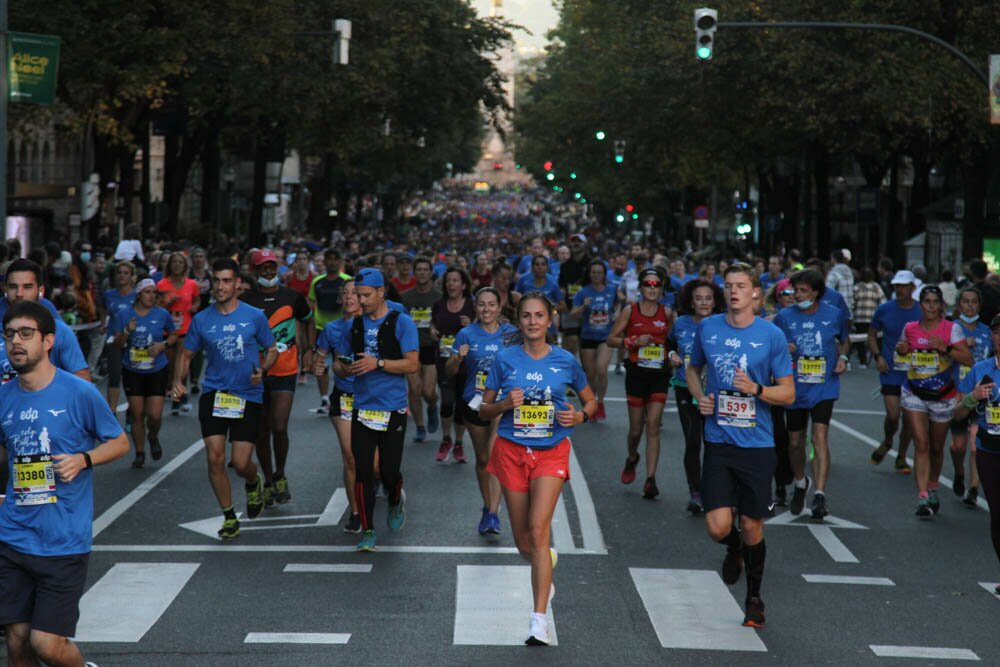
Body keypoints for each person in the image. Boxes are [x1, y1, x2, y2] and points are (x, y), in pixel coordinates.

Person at [0, 300, 129, 667]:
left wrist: (83, 459)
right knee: (17, 643)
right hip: (13, 535)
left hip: (62, 541)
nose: (16, 342)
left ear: (49, 341)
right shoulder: (3, 397)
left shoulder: (78, 393)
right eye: (9, 335)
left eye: (26, 334)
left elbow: (119, 442)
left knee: (47, 645)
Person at [479, 291, 597, 646]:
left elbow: (591, 400)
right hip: (512, 451)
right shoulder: (504, 359)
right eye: (527, 316)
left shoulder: (565, 361)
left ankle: (538, 621)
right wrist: (502, 403)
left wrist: (579, 415)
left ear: (550, 320)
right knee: (523, 542)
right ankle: (544, 563)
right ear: (520, 321)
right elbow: (482, 410)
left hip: (551, 452)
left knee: (538, 527)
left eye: (539, 316)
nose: (533, 322)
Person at [686, 262, 795, 628]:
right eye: (728, 285)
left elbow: (789, 393)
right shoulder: (708, 328)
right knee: (718, 527)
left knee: (752, 524)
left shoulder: (771, 335)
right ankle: (733, 548)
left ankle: (754, 598)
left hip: (758, 445)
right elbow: (692, 368)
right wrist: (700, 395)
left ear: (755, 294)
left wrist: (757, 390)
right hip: (718, 440)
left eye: (741, 286)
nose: (733, 291)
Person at [171, 258, 278, 539]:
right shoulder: (203, 319)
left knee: (241, 463)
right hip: (215, 393)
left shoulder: (254, 316)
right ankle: (229, 516)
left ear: (238, 284)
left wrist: (263, 370)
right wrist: (177, 381)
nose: (220, 286)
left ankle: (253, 482)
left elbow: (271, 349)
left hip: (248, 394)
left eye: (227, 281)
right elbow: (186, 354)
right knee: (215, 458)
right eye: (216, 281)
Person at [332, 268, 419, 552]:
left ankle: (395, 498)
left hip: (392, 408)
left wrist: (378, 363)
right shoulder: (353, 326)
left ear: (381, 292)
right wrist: (344, 367)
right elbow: (338, 363)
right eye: (358, 295)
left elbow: (412, 364)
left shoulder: (401, 322)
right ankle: (368, 530)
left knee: (389, 472)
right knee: (364, 471)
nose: (361, 300)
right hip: (362, 407)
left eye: (366, 295)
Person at [774, 269, 850, 518]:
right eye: (795, 290)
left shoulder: (834, 314)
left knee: (819, 437)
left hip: (824, 386)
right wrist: (784, 348)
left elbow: (844, 339)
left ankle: (819, 494)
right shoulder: (784, 317)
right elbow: (773, 348)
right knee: (795, 442)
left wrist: (844, 358)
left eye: (803, 290)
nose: (797, 295)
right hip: (794, 387)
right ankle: (799, 482)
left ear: (816, 292)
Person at [240, 249, 314, 506]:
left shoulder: (292, 297)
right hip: (256, 373)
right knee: (262, 431)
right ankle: (269, 480)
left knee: (279, 427)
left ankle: (280, 474)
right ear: (255, 271)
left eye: (272, 267)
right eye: (263, 268)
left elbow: (309, 320)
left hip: (285, 370)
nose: (269, 272)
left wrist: (310, 352)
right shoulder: (246, 300)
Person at [445, 287, 518, 534]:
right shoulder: (466, 334)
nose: (486, 309)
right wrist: (457, 359)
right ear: (476, 307)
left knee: (494, 453)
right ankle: (487, 508)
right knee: (483, 459)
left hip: (501, 403)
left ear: (499, 307)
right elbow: (449, 372)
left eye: (491, 304)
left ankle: (494, 514)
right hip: (474, 401)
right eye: (482, 305)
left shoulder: (510, 334)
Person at [895, 285, 972, 517]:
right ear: (921, 305)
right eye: (926, 301)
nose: (930, 306)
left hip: (943, 396)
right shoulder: (910, 328)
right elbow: (900, 359)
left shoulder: (952, 329)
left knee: (937, 448)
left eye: (935, 302)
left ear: (941, 306)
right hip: (914, 392)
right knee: (922, 444)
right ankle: (922, 497)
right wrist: (903, 351)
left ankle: (933, 487)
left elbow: (967, 359)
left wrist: (945, 347)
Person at [608, 267, 672, 499]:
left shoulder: (667, 313)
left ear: (662, 288)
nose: (652, 288)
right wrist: (632, 341)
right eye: (648, 284)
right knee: (636, 430)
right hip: (636, 374)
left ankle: (650, 479)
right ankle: (632, 457)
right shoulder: (630, 311)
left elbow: (673, 342)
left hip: (659, 375)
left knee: (653, 424)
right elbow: (611, 339)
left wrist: (672, 354)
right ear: (641, 287)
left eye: (656, 285)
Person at [668, 278, 724, 514]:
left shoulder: (723, 324)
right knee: (693, 440)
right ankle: (696, 492)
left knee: (713, 442)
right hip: (685, 386)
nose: (703, 303)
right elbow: (668, 342)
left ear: (715, 302)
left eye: (708, 298)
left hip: (715, 390)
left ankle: (714, 490)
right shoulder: (680, 323)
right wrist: (671, 353)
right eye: (698, 298)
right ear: (690, 303)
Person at [953, 316, 1000, 594]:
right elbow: (957, 413)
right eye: (997, 332)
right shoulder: (980, 369)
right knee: (997, 516)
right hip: (988, 449)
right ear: (991, 337)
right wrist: (973, 397)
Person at [314, 279, 364, 533]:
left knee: (377, 465)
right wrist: (318, 365)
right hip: (344, 396)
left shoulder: (374, 326)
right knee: (351, 457)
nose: (349, 297)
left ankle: (390, 484)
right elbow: (320, 357)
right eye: (345, 293)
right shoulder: (332, 328)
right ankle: (356, 513)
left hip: (374, 398)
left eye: (354, 293)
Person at [111, 278, 177, 467]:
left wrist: (163, 345)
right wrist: (126, 331)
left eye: (154, 293)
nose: (152, 296)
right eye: (147, 292)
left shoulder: (162, 314)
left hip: (156, 368)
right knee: (138, 413)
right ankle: (139, 452)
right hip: (133, 369)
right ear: (139, 294)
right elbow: (117, 344)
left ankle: (153, 436)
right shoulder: (125, 314)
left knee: (154, 415)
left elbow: (173, 335)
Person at [868, 270, 923, 473]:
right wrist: (878, 356)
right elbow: (871, 335)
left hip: (915, 372)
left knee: (909, 418)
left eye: (904, 286)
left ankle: (901, 455)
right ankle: (888, 440)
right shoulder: (884, 309)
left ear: (913, 287)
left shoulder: (922, 311)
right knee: (893, 416)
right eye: (897, 286)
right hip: (890, 369)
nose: (900, 290)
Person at [950, 286, 992, 506]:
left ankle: (973, 488)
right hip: (957, 394)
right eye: (965, 301)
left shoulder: (988, 332)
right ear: (959, 305)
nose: (970, 305)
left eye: (974, 301)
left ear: (979, 305)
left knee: (976, 443)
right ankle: (958, 473)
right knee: (958, 446)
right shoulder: (952, 329)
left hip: (981, 395)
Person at [431, 267, 475, 463]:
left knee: (462, 406)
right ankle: (446, 438)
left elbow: (482, 329)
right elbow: (433, 322)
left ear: (463, 285)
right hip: (444, 361)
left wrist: (471, 325)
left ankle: (458, 443)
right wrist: (432, 329)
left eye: (455, 281)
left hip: (466, 363)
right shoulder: (439, 304)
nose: (451, 284)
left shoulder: (472, 306)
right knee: (447, 401)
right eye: (448, 281)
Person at [571, 259, 618, 421]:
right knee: (590, 375)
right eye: (594, 272)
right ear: (590, 275)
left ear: (604, 275)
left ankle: (601, 401)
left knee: (601, 369)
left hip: (605, 337)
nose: (596, 275)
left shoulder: (612, 290)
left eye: (599, 272)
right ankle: (591, 405)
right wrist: (583, 306)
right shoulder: (583, 292)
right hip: (587, 337)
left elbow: (619, 305)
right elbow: (573, 314)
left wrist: (616, 314)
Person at [400, 256, 442, 442]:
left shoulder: (439, 296)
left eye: (426, 269)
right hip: (411, 347)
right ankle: (420, 427)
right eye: (419, 270)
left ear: (431, 272)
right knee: (414, 389)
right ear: (414, 272)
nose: (423, 273)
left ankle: (433, 406)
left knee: (428, 391)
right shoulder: (406, 298)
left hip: (432, 347)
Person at [308, 249, 351, 415]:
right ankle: (325, 398)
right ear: (324, 262)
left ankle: (342, 396)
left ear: (340, 262)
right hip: (321, 328)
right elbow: (311, 305)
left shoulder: (347, 281)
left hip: (342, 330)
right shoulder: (317, 282)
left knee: (341, 363)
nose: (332, 262)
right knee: (321, 365)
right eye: (329, 259)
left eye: (335, 258)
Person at [157, 251, 200, 416]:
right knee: (170, 365)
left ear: (185, 266)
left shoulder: (191, 284)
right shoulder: (162, 284)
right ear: (169, 265)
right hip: (168, 330)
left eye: (180, 262)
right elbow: (157, 307)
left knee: (182, 365)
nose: (177, 265)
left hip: (186, 328)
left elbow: (197, 300)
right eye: (174, 262)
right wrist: (167, 303)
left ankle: (178, 399)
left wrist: (194, 307)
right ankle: (175, 392)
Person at [99, 261, 137, 411]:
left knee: (131, 379)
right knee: (114, 377)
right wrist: (103, 323)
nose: (122, 276)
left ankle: (131, 414)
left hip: (133, 341)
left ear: (132, 276)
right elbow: (103, 307)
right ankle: (112, 413)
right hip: (114, 340)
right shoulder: (109, 295)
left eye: (126, 273)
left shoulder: (137, 295)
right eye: (119, 272)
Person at [851, 267, 886, 368]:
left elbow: (852, 304)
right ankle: (878, 358)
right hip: (873, 318)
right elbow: (883, 302)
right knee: (876, 339)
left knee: (860, 341)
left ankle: (863, 362)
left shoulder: (857, 287)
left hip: (860, 318)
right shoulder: (876, 287)